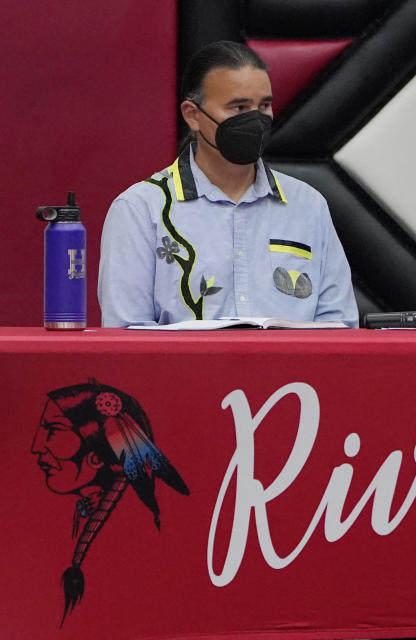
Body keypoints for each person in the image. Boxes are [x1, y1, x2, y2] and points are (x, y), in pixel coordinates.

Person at [98, 41, 358, 327]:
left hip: (292, 373)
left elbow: (340, 324)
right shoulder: (140, 209)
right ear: (193, 115)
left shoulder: (308, 205)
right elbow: (125, 332)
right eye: (239, 107)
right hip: (185, 372)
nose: (256, 119)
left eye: (264, 106)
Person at [31, 381, 189, 625]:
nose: (36, 447)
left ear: (96, 456)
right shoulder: (84, 511)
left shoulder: (131, 542)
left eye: (52, 430)